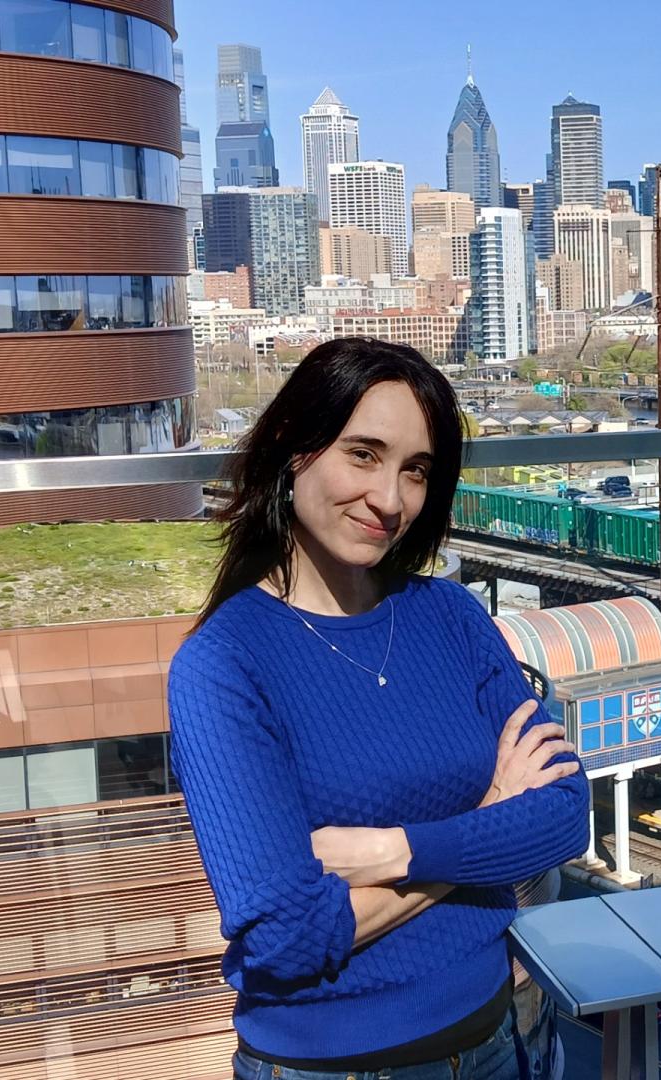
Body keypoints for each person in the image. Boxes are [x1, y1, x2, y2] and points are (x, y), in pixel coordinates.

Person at [168, 337, 589, 1079]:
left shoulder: (452, 616)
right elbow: (287, 940)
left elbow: (564, 814)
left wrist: (387, 850)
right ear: (292, 448)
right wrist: (489, 815)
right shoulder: (223, 666)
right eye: (363, 454)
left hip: (496, 1041)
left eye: (415, 471)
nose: (391, 499)